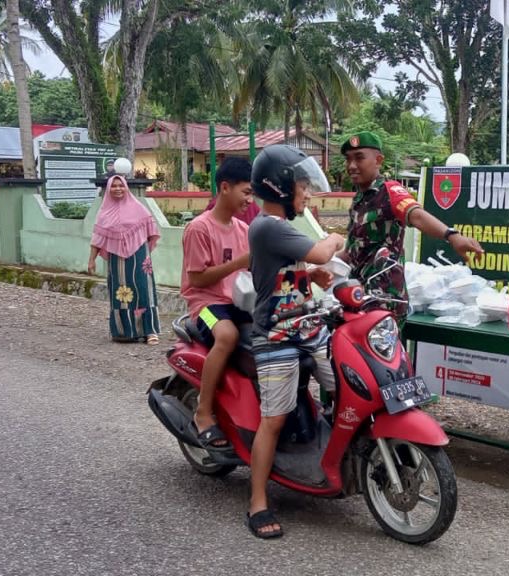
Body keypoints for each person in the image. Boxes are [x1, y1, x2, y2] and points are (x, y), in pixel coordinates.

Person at [244, 144, 343, 539]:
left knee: (344, 382)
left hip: (306, 325)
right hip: (276, 335)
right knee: (273, 419)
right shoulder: (268, 225)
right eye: (302, 186)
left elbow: (276, 277)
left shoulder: (278, 228)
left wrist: (310, 279)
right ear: (281, 187)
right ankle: (257, 502)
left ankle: (331, 455)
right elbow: (321, 250)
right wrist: (335, 239)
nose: (307, 193)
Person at [340, 132, 483, 322]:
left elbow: (416, 216)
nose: (352, 166)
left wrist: (452, 235)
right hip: (357, 296)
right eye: (348, 159)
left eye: (359, 158)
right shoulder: (358, 201)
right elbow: (351, 251)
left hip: (384, 299)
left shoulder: (390, 191)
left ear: (378, 160)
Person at [180, 157, 254, 451]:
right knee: (227, 336)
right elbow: (197, 280)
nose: (250, 199)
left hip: (239, 302)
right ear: (225, 187)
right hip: (206, 306)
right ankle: (203, 411)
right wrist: (238, 263)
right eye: (246, 192)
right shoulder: (200, 228)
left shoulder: (243, 230)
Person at [88, 175, 162, 345]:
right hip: (116, 259)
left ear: (126, 187)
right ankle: (124, 331)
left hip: (139, 256)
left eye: (120, 185)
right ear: (108, 189)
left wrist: (143, 247)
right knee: (121, 293)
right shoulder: (104, 213)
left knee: (144, 290)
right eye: (113, 186)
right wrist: (91, 260)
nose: (117, 189)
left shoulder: (138, 207)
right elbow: (97, 239)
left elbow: (152, 231)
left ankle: (150, 331)